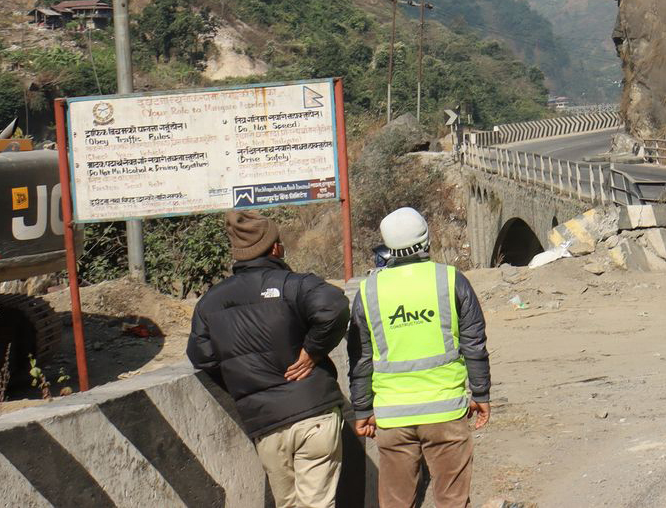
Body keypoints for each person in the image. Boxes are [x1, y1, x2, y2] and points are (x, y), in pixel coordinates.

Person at [188, 210, 351, 508]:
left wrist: (245, 376)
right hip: (313, 413)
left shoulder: (209, 302)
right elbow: (335, 306)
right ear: (275, 247)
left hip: (265, 424)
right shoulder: (294, 284)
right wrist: (313, 351)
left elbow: (201, 355)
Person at [348, 207, 492, 508]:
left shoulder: (369, 290)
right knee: (453, 500)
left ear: (388, 245)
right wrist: (480, 392)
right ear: (427, 238)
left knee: (396, 503)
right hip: (446, 411)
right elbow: (473, 344)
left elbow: (359, 358)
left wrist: (362, 409)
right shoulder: (451, 280)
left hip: (393, 416)